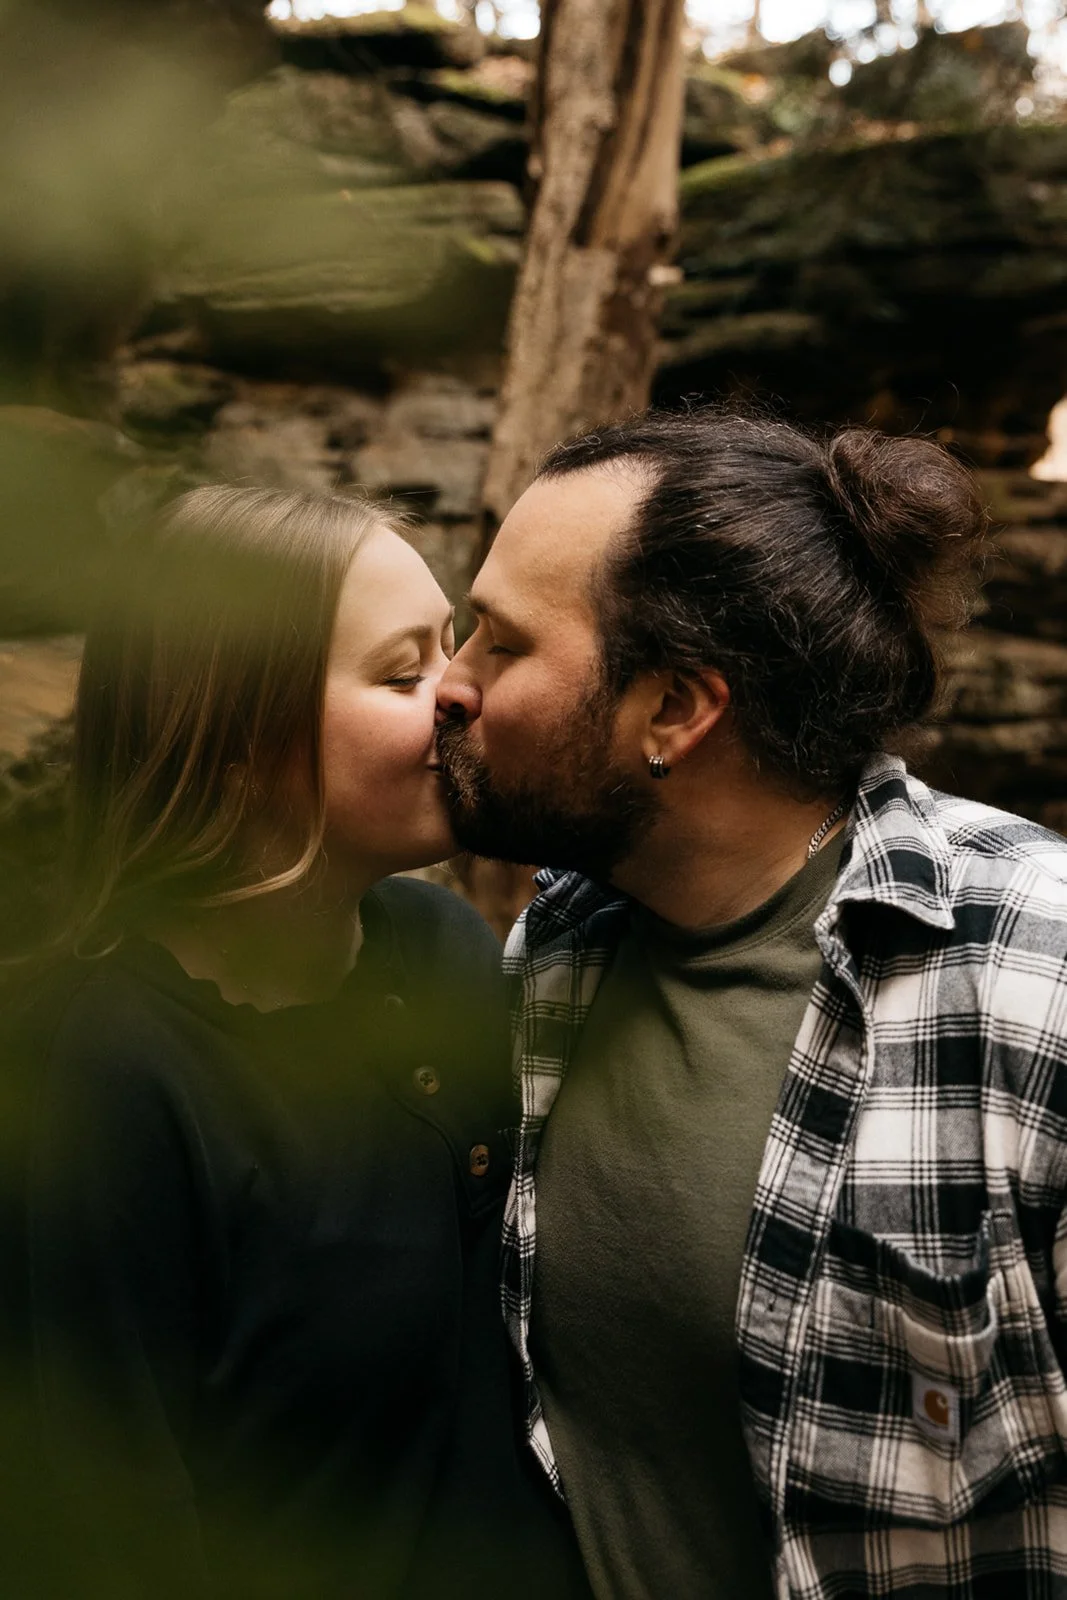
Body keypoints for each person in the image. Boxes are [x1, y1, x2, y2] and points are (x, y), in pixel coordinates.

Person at [434, 409, 1067, 1599]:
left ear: (675, 709)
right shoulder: (554, 949)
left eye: (501, 644)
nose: (449, 683)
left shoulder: (1033, 975)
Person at [2, 485, 587, 1600]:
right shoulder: (91, 1079)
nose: (462, 692)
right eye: (402, 672)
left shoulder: (441, 954)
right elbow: (103, 1526)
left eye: (453, 650)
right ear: (233, 734)